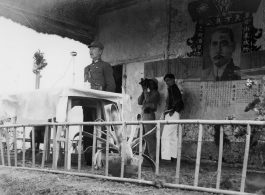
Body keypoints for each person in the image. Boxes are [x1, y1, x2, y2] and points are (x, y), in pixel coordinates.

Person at [83, 41, 116, 166]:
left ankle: (102, 158)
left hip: (100, 103)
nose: (91, 51)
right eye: (90, 49)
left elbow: (111, 85)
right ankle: (88, 158)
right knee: (87, 129)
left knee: (102, 130)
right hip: (88, 103)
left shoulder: (105, 66)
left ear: (101, 51)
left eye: (94, 49)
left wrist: (104, 101)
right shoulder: (86, 68)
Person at [161, 74, 184, 162]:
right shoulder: (173, 88)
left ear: (173, 79)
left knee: (165, 136)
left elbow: (177, 100)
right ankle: (173, 156)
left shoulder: (173, 88)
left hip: (172, 113)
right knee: (173, 137)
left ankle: (166, 157)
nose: (167, 82)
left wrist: (172, 109)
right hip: (174, 114)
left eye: (168, 80)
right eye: (166, 81)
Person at [138, 78, 160, 162]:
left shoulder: (156, 93)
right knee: (141, 136)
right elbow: (140, 101)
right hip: (143, 114)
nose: (150, 85)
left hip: (149, 115)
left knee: (150, 136)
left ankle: (153, 158)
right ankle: (144, 156)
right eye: (149, 84)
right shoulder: (147, 92)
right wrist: (143, 90)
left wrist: (144, 90)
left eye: (151, 83)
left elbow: (148, 100)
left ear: (155, 85)